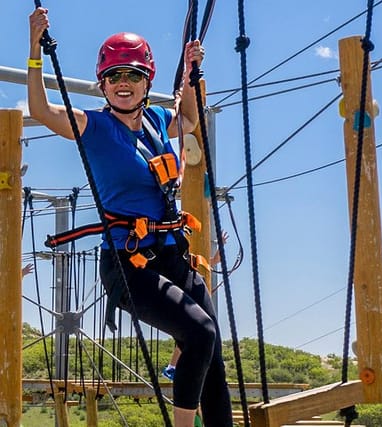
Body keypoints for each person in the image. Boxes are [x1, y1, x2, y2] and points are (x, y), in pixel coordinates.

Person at [28, 8, 232, 427]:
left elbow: (190, 118)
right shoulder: (93, 126)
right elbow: (44, 111)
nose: (124, 83)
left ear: (146, 82)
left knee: (212, 351)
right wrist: (35, 50)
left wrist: (194, 74)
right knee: (200, 333)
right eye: (115, 76)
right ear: (103, 84)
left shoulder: (157, 120)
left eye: (133, 76)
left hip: (171, 255)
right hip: (128, 263)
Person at [163, 230, 229, 382]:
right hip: (179, 292)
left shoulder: (184, 259)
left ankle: (173, 368)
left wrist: (218, 251)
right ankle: (173, 368)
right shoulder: (175, 256)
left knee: (194, 332)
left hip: (186, 289)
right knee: (194, 331)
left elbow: (207, 263)